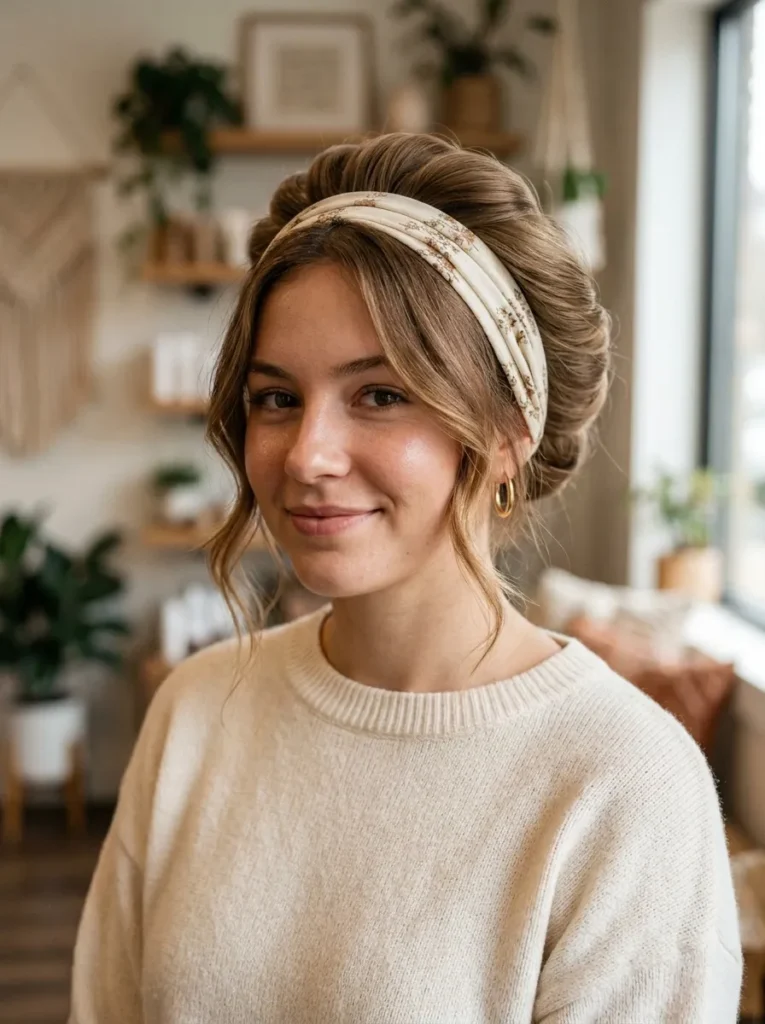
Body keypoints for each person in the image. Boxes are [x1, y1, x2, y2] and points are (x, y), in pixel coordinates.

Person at [69, 133, 742, 1023]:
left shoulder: (623, 786)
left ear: (506, 432)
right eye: (276, 398)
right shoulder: (196, 710)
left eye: (379, 394)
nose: (306, 454)